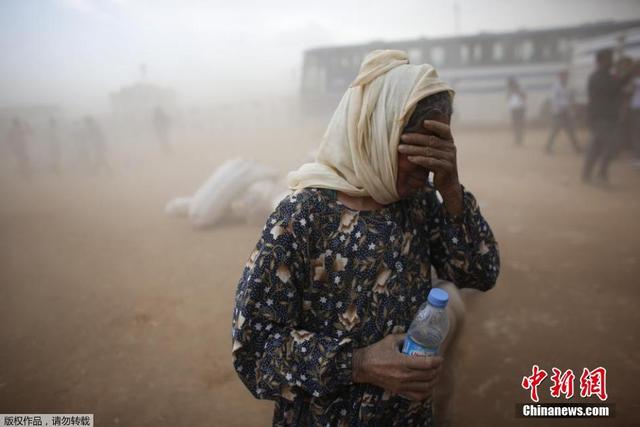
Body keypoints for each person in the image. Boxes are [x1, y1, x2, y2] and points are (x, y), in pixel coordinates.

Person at [231, 50, 500, 426]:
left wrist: (452, 190)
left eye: (438, 151)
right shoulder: (302, 217)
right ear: (379, 133)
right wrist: (360, 363)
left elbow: (480, 273)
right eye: (419, 150)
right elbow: (254, 353)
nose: (429, 168)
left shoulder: (418, 204)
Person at [582, 49, 624, 184]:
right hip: (599, 118)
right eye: (609, 59)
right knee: (612, 144)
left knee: (596, 147)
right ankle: (601, 173)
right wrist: (628, 73)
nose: (612, 61)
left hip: (609, 117)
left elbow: (617, 90)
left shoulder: (609, 76)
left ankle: (587, 174)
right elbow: (612, 87)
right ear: (600, 61)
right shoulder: (596, 77)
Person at [546, 71, 581, 154]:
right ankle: (548, 147)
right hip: (558, 112)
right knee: (555, 130)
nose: (565, 78)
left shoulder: (568, 87)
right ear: (560, 77)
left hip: (567, 112)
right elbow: (554, 100)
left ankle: (577, 148)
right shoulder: (555, 87)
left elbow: (570, 98)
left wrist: (572, 107)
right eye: (563, 76)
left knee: (571, 131)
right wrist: (563, 107)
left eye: (566, 76)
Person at [507, 77, 526, 145]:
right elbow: (508, 98)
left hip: (520, 108)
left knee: (520, 124)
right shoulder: (510, 90)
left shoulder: (520, 88)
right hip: (513, 109)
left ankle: (519, 139)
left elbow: (524, 97)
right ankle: (517, 138)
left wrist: (517, 92)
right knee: (515, 124)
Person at [628, 61, 640, 168]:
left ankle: (637, 158)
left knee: (636, 134)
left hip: (637, 108)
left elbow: (628, 90)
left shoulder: (636, 80)